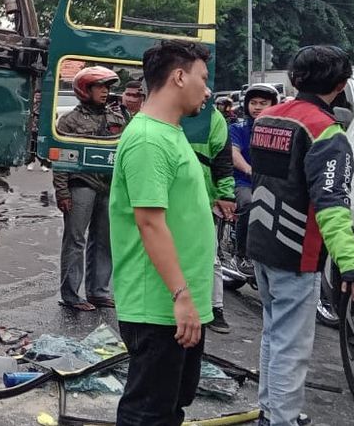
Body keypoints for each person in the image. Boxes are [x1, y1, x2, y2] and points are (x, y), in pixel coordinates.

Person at [247, 46, 354, 426]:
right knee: (292, 345)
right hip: (295, 252)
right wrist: (353, 263)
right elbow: (333, 206)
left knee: (274, 334)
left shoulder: (268, 117)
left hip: (260, 242)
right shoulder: (326, 132)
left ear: (292, 78)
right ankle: (281, 420)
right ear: (340, 86)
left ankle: (271, 413)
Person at [110, 40, 215, 426]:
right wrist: (181, 296)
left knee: (172, 406)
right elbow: (149, 222)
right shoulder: (149, 140)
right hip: (160, 306)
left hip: (181, 305)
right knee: (148, 414)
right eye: (203, 79)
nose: (206, 90)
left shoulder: (170, 132)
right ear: (179, 76)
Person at [53, 66, 127, 311]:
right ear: (85, 89)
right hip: (80, 184)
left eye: (107, 87)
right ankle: (71, 295)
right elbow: (60, 158)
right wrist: (62, 191)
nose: (105, 91)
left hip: (109, 186)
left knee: (105, 241)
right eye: (99, 86)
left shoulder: (117, 118)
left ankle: (98, 292)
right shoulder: (69, 121)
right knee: (75, 240)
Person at [188, 104, 236, 334]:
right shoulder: (163, 110)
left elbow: (223, 159)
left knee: (211, 255)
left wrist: (226, 194)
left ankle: (215, 308)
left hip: (203, 197)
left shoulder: (213, 118)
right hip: (166, 196)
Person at [228, 83, 279, 278]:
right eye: (254, 103)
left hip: (272, 182)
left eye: (263, 103)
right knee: (250, 204)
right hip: (244, 182)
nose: (257, 107)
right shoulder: (238, 128)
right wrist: (249, 170)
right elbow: (234, 154)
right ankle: (242, 255)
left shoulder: (280, 129)